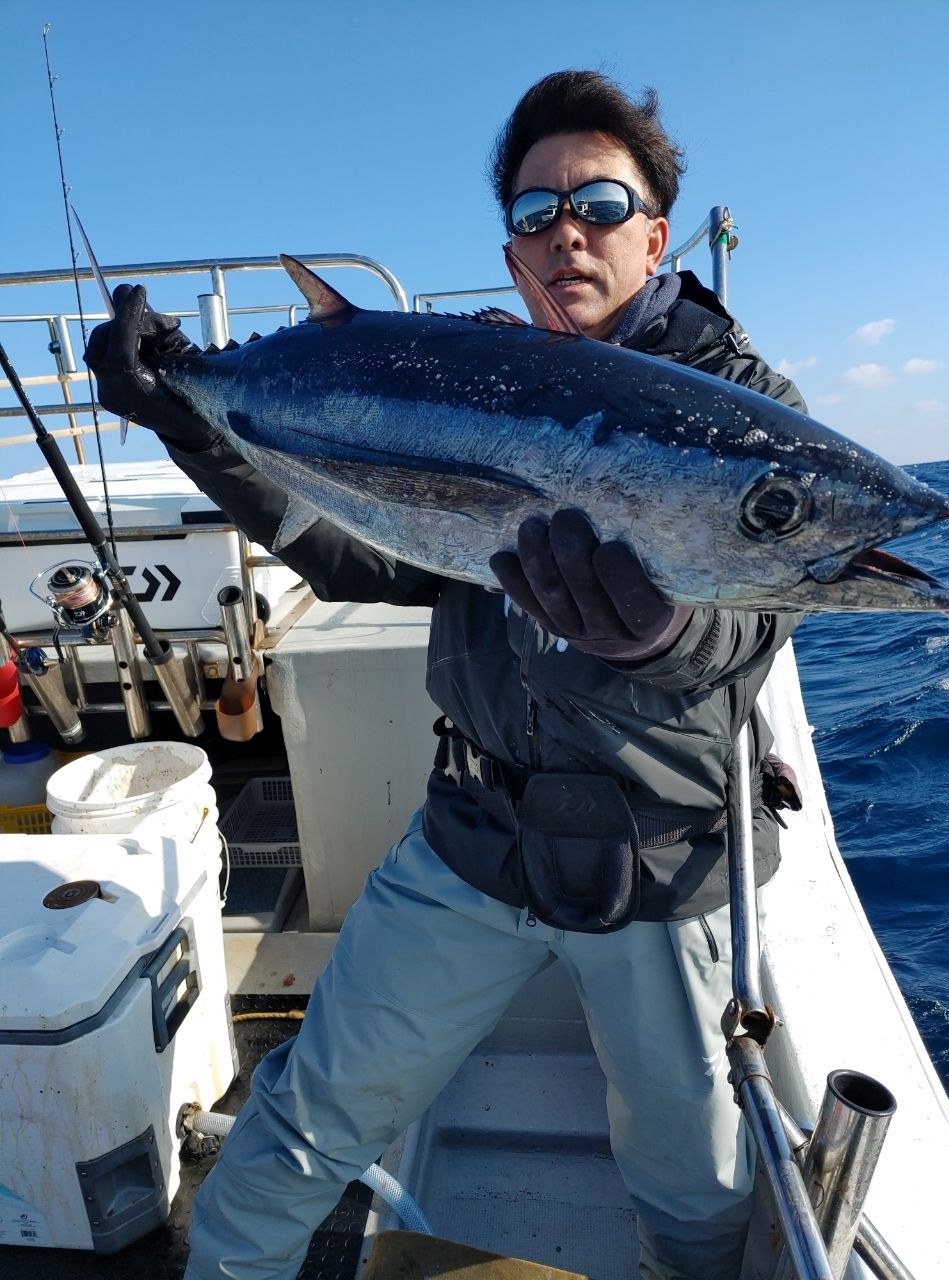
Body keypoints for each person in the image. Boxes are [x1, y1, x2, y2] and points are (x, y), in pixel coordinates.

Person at [86, 70, 806, 1280]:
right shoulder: (472, 385)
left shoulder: (750, 413)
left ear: (657, 232)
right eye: (535, 211)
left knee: (697, 1205)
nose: (566, 227)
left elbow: (752, 624)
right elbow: (357, 548)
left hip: (662, 867)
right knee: (287, 1143)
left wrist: (655, 638)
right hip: (470, 837)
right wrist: (189, 425)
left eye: (599, 198)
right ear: (513, 248)